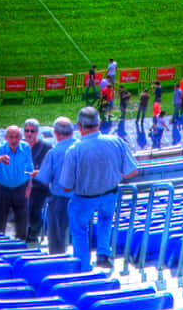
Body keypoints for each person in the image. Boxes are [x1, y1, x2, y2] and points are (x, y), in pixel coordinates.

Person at [54, 106, 141, 271]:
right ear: (99, 123)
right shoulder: (116, 141)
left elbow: (66, 187)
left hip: (84, 199)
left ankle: (83, 267)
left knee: (79, 230)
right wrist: (112, 176)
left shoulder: (74, 150)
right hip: (110, 195)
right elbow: (133, 171)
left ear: (79, 126)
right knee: (105, 220)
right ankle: (102, 254)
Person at [28, 116, 75, 254]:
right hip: (81, 198)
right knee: (80, 235)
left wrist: (37, 173)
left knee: (56, 239)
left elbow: (44, 178)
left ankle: (58, 266)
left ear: (56, 133)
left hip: (60, 200)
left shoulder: (54, 152)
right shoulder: (81, 147)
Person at [0, 124, 33, 240]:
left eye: (16, 137)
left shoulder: (26, 147)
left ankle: (21, 250)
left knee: (22, 226)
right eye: (11, 137)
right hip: (1, 189)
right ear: (6, 138)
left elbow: (29, 167)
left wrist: (29, 186)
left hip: (20, 189)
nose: (14, 140)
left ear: (20, 137)